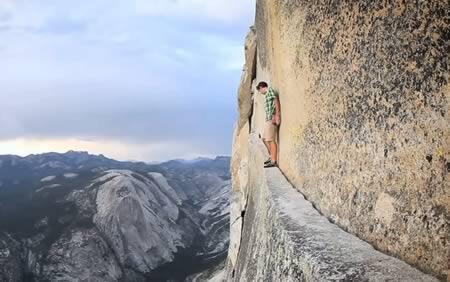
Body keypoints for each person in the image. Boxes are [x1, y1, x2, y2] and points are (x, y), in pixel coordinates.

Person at [256, 81, 280, 168]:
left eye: (259, 90)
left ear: (262, 87)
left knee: (271, 140)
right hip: (268, 119)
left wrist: (277, 115)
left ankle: (273, 161)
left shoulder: (270, 91)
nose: (260, 92)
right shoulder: (267, 94)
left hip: (271, 119)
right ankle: (271, 157)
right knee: (264, 139)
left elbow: (276, 100)